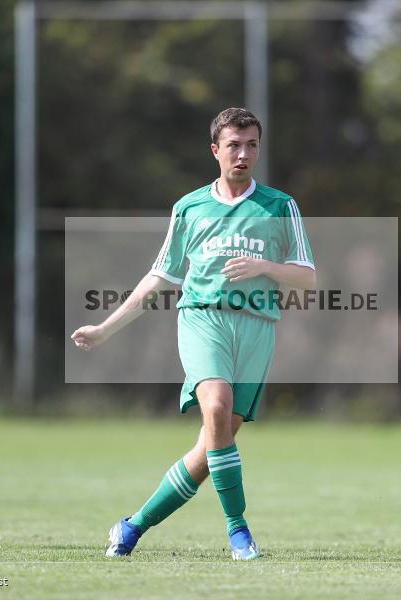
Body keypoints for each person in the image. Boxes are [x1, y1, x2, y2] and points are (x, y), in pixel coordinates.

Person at [71, 107, 316, 560]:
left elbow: (308, 278)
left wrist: (264, 267)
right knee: (217, 406)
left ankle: (132, 526)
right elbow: (159, 277)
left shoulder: (280, 206)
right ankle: (238, 531)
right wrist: (106, 328)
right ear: (215, 150)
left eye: (252, 145)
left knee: (209, 449)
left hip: (258, 330)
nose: (243, 154)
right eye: (234, 145)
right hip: (204, 321)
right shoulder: (190, 206)